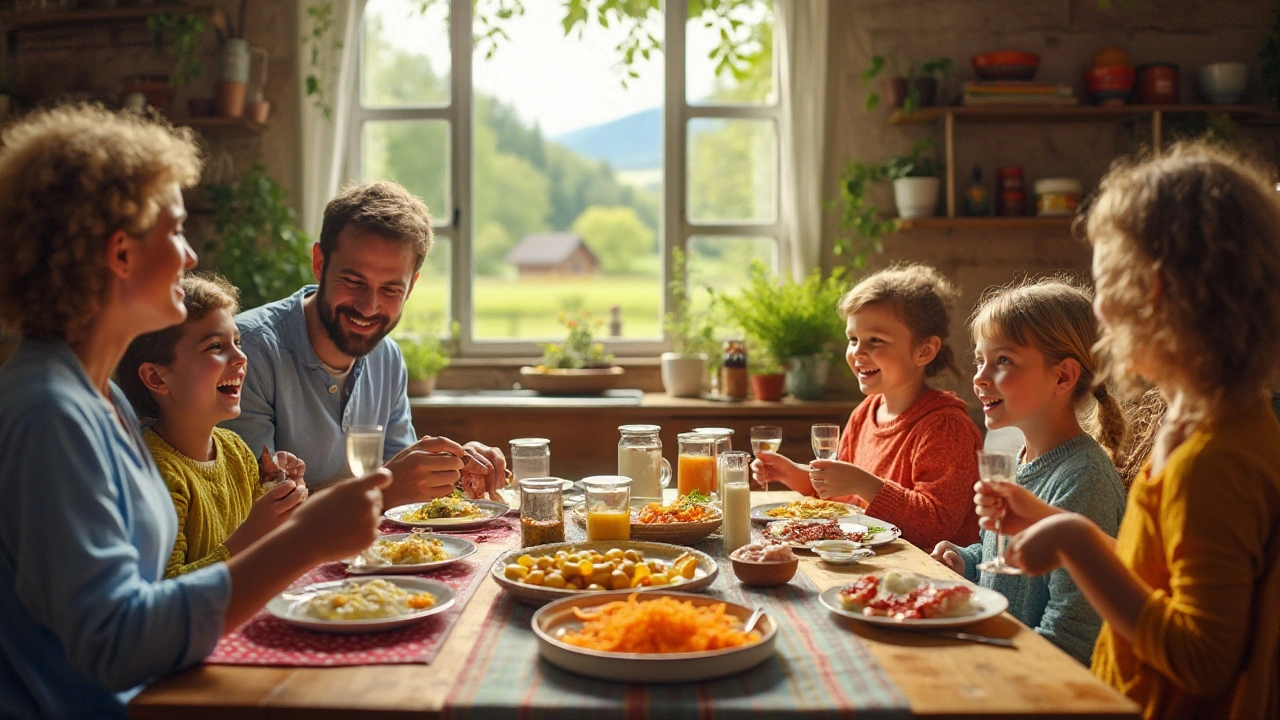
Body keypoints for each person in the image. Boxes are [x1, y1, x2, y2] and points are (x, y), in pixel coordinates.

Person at [0, 105, 389, 719]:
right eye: (176, 232)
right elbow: (115, 645)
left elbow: (149, 595)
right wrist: (303, 540)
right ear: (120, 253)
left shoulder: (100, 396)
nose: (188, 257)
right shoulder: (50, 414)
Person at [978, 143, 1280, 718]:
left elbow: (1203, 659)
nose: (1103, 317)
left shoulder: (1217, 457)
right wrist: (1049, 520)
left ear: (1154, 290)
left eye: (1108, 283)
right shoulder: (1197, 418)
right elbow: (1155, 577)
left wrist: (1076, 540)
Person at [223, 181, 506, 505]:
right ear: (319, 263)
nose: (368, 307)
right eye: (353, 281)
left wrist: (456, 470)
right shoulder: (246, 351)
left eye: (390, 289)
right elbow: (252, 510)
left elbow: (405, 489)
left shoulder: (387, 358)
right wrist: (382, 491)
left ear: (411, 287)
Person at [930, 279, 1128, 664]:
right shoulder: (1018, 460)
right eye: (980, 359)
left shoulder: (1083, 480)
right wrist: (965, 561)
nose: (980, 377)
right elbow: (1006, 566)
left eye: (1003, 360)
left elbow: (1074, 637)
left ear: (1063, 376)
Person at [753, 264, 983, 549]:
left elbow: (936, 525)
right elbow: (845, 500)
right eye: (853, 339)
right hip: (869, 562)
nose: (858, 353)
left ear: (924, 351)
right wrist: (792, 474)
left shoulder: (946, 428)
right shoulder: (865, 413)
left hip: (925, 578)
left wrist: (866, 485)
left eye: (875, 340)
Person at [116, 273, 311, 578]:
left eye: (237, 342)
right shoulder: (155, 475)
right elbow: (164, 593)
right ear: (156, 377)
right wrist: (251, 534)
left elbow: (268, 554)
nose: (241, 357)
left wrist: (279, 492)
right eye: (215, 347)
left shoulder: (236, 451)